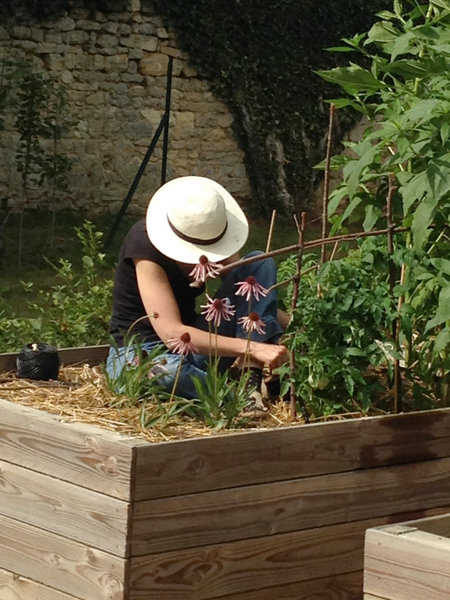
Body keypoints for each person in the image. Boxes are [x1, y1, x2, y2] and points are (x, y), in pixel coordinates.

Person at [106, 176, 288, 404]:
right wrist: (254, 348)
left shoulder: (211, 232)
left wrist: (291, 329)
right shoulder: (145, 246)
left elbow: (250, 297)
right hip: (142, 353)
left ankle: (249, 376)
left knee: (258, 263)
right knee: (166, 374)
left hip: (196, 347)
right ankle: (237, 398)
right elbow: (171, 333)